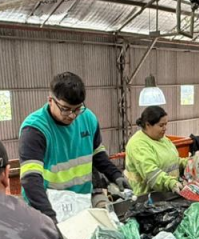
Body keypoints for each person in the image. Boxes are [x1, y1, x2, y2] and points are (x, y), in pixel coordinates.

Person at [19, 72, 129, 220]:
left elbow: (97, 154)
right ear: (50, 100)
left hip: (80, 202)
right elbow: (31, 179)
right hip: (46, 205)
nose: (72, 115)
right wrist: (48, 216)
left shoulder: (88, 118)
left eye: (77, 109)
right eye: (65, 109)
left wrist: (115, 175)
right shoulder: (35, 129)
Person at [125, 106, 187, 196]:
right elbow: (151, 173)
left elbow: (172, 161)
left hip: (166, 194)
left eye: (166, 124)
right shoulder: (138, 144)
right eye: (161, 125)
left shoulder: (162, 139)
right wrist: (170, 183)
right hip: (146, 198)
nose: (165, 128)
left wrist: (187, 164)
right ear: (148, 125)